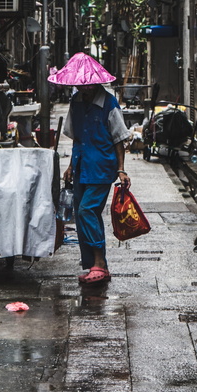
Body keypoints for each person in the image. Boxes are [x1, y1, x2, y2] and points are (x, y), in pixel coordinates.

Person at [51, 53, 130, 284]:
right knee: (85, 213)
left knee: (86, 211)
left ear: (96, 82)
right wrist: (69, 166)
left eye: (87, 85)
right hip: (81, 165)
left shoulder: (109, 104)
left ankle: (100, 263)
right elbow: (76, 137)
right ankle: (93, 264)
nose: (83, 88)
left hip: (102, 167)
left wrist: (121, 170)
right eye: (79, 84)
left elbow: (119, 139)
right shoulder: (75, 103)